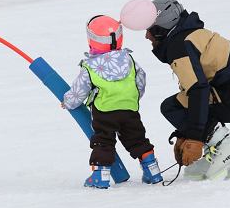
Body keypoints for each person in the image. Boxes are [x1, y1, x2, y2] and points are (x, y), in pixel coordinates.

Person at [146, 0, 230, 180]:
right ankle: (218, 149)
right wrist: (186, 132)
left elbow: (198, 90)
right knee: (178, 104)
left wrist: (195, 137)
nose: (147, 36)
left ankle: (227, 145)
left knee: (172, 107)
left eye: (150, 30)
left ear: (162, 29)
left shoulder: (179, 45)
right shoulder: (188, 35)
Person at [62, 15, 163, 189]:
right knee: (137, 139)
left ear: (91, 41)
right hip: (129, 109)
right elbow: (141, 80)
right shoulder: (129, 60)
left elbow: (79, 90)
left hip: (104, 111)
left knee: (103, 141)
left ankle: (101, 176)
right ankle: (153, 170)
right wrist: (132, 98)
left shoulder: (90, 66)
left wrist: (68, 102)